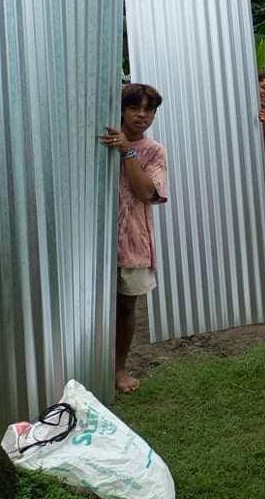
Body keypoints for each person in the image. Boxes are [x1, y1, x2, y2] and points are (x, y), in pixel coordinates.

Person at [99, 83, 168, 393]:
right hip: (93, 243)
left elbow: (145, 192)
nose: (142, 115)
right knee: (91, 308)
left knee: (125, 308)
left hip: (132, 242)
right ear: (122, 110)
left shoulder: (153, 151)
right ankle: (85, 366)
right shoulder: (99, 143)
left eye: (149, 110)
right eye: (135, 108)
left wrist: (127, 150)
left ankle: (118, 369)